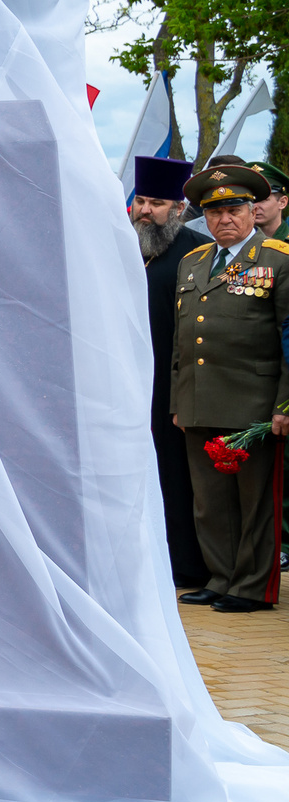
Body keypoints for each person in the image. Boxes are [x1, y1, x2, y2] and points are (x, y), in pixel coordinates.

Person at [170, 160, 289, 612]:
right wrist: (177, 402)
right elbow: (182, 341)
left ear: (251, 212)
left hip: (255, 405)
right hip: (199, 400)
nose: (225, 219)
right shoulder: (192, 262)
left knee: (254, 502)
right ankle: (221, 578)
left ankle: (253, 588)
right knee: (210, 502)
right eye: (215, 212)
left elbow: (288, 337)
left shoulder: (277, 260)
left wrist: (284, 404)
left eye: (235, 209)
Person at [133, 156, 211, 590]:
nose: (146, 210)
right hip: (128, 381)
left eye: (157, 203)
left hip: (174, 384)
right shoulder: (124, 247)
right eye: (141, 200)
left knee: (175, 475)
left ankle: (184, 563)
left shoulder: (196, 252)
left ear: (178, 209)